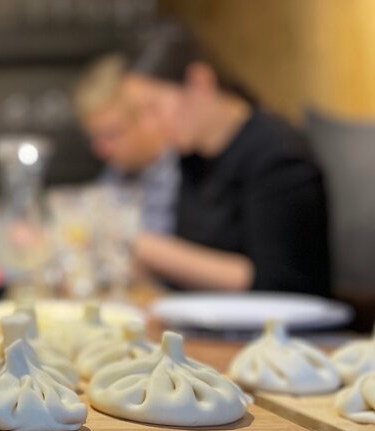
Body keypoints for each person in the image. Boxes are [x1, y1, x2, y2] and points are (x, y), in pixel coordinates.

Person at [123, 20, 330, 295]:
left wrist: (145, 248)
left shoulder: (278, 154)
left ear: (200, 82)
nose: (149, 126)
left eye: (153, 108)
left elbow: (277, 281)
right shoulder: (192, 154)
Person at [73, 52, 180, 235]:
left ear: (149, 117)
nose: (100, 149)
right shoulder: (120, 170)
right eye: (94, 137)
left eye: (111, 134)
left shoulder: (187, 172)